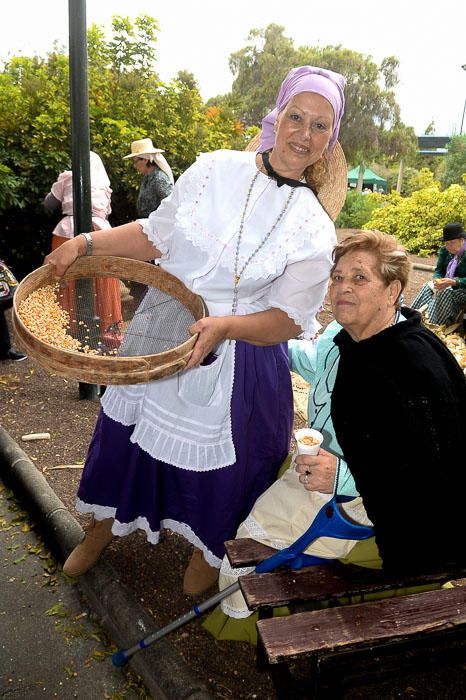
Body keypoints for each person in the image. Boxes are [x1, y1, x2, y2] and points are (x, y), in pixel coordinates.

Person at [44, 65, 348, 596]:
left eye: (320, 125)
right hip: (165, 322)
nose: (304, 134)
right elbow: (155, 235)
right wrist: (84, 245)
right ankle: (101, 530)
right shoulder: (214, 169)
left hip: (241, 346)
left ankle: (209, 545)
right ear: (276, 117)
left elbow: (287, 320)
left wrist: (225, 325)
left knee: (226, 462)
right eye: (296, 117)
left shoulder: (315, 228)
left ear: (331, 139)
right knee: (126, 437)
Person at [214, 230, 466, 626]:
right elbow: (314, 361)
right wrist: (250, 334)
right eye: (337, 277)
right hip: (332, 477)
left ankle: (270, 630)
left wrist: (343, 475)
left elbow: (433, 464)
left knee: (246, 548)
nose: (343, 288)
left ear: (393, 290)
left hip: (377, 506)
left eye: (360, 278)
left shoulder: (409, 365)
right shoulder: (343, 335)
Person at [44, 152, 122, 342]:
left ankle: (67, 327)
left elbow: (48, 204)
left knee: (64, 275)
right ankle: (108, 328)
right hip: (101, 234)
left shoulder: (68, 176)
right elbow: (107, 212)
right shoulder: (105, 186)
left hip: (68, 233)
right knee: (102, 279)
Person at [411, 222, 466, 326]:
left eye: (452, 242)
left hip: (463, 288)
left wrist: (455, 282)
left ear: (462, 240)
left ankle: (432, 326)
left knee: (445, 292)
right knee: (427, 287)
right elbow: (438, 270)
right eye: (446, 243)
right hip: (447, 284)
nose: (448, 246)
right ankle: (412, 318)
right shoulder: (444, 251)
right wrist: (437, 279)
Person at [123, 138, 174, 217]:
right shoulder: (147, 177)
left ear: (145, 160)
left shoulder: (159, 178)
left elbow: (171, 205)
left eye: (135, 161)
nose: (134, 165)